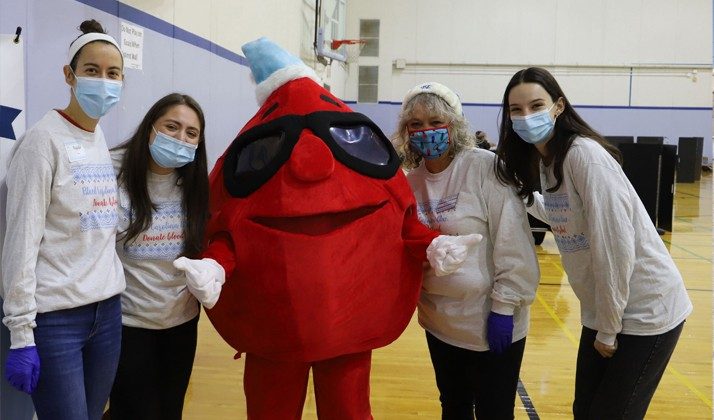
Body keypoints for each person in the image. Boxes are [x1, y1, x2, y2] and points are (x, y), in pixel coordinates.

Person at [494, 67, 693, 419]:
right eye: (516, 110)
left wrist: (609, 328)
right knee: (585, 411)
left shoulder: (583, 156)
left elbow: (614, 248)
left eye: (536, 105)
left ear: (558, 106)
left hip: (645, 311)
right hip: (605, 310)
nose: (526, 116)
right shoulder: (548, 161)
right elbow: (562, 215)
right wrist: (521, 197)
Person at [1, 19, 126, 420]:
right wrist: (21, 334)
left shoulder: (98, 137)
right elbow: (20, 242)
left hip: (106, 315)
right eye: (92, 70)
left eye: (113, 73)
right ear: (69, 75)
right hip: (57, 322)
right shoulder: (42, 142)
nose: (103, 81)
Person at [392, 82, 540, 419]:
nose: (425, 131)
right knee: (454, 406)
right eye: (416, 124)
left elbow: (513, 242)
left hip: (492, 321)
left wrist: (504, 308)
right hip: (441, 323)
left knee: (495, 411)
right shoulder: (409, 183)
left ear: (454, 125)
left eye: (434, 122)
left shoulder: (484, 167)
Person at [106, 93, 209, 419]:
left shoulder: (195, 185)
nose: (180, 138)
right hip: (128, 325)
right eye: (172, 126)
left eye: (191, 133)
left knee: (169, 411)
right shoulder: (113, 172)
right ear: (151, 127)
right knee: (132, 411)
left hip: (181, 324)